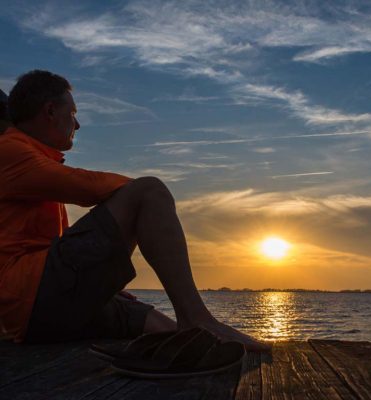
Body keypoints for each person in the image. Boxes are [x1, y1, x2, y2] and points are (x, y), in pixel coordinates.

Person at [0, 70, 269, 352]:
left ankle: (194, 333)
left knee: (175, 335)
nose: (77, 124)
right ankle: (196, 317)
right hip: (28, 299)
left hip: (41, 305)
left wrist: (103, 286)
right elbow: (86, 188)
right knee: (150, 190)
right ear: (51, 111)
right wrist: (145, 196)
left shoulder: (32, 160)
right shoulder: (10, 151)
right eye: (73, 113)